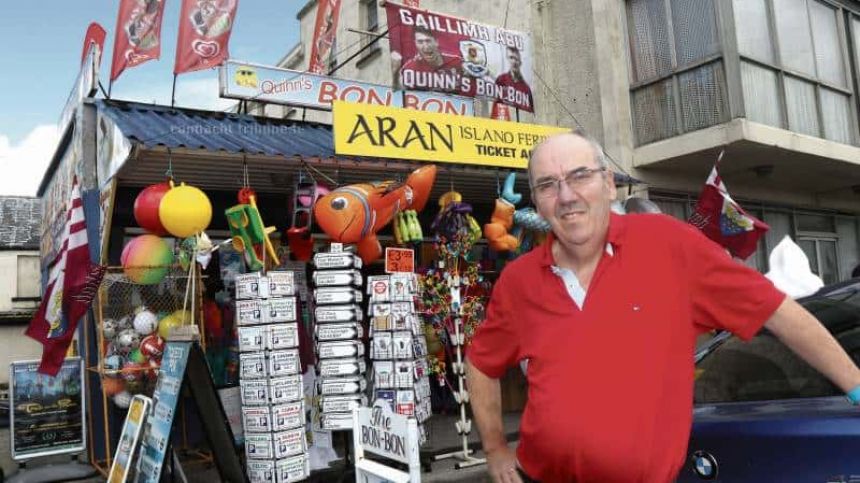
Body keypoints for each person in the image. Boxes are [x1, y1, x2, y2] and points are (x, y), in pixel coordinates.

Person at [465, 132, 860, 483]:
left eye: (579, 176)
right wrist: (496, 449)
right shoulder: (519, 281)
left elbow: (779, 312)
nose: (566, 196)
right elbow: (482, 362)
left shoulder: (670, 246)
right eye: (548, 185)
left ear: (608, 182)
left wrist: (856, 387)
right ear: (536, 200)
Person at [391, 26, 463, 91]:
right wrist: (395, 73)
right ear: (415, 44)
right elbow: (399, 93)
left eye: (428, 41)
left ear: (436, 42)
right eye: (420, 42)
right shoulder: (410, 68)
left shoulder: (457, 62)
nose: (425, 46)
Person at [494, 46, 534, 112]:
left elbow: (530, 109)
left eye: (516, 59)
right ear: (508, 59)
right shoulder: (501, 80)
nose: (514, 62)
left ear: (520, 63)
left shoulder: (526, 88)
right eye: (511, 58)